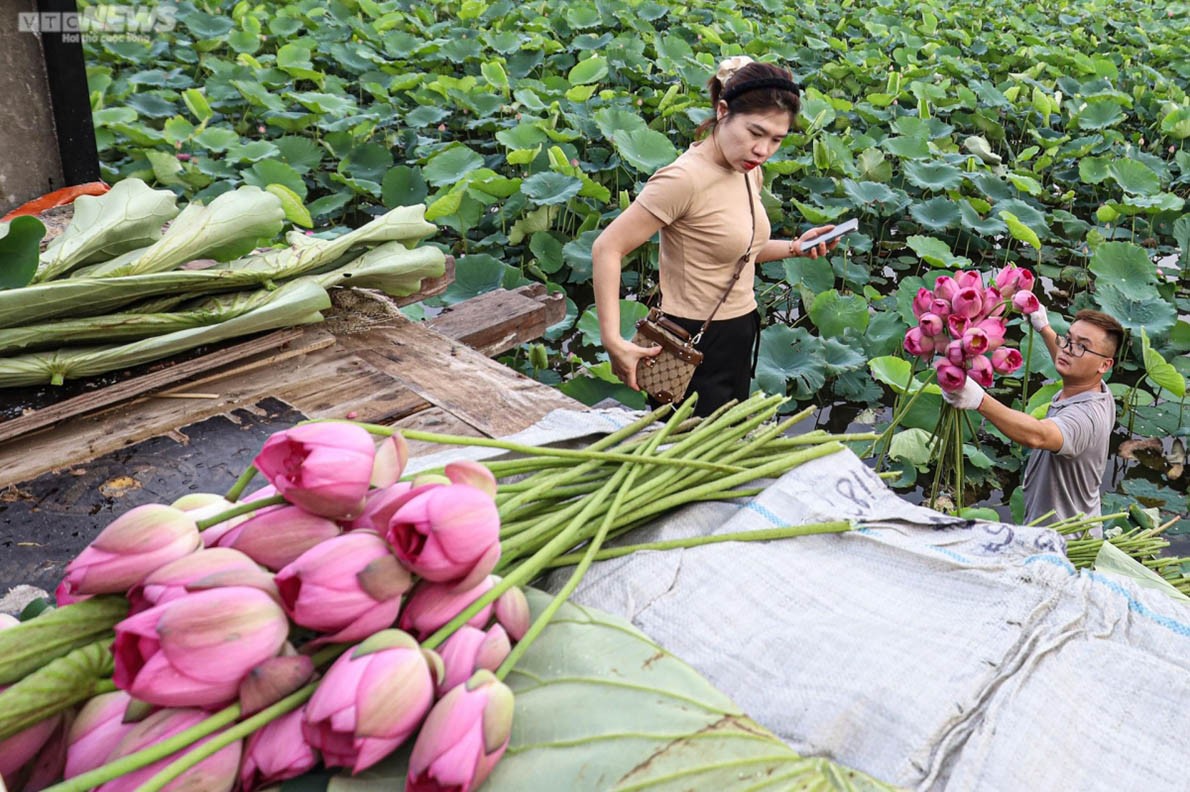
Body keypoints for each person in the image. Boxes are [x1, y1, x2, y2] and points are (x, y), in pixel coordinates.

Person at [591, 56, 840, 417]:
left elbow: (738, 250)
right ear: (723, 111)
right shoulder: (683, 179)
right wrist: (612, 340)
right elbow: (607, 247)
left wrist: (794, 248)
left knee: (725, 441)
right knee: (686, 456)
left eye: (776, 140)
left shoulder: (748, 171)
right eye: (755, 133)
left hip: (740, 330)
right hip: (688, 341)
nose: (763, 150)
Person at [942, 305, 1123, 526]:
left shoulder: (1086, 417)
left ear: (1105, 364)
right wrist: (1044, 328)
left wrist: (980, 400)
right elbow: (1070, 356)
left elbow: (1038, 436)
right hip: (1068, 522)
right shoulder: (1094, 387)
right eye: (1067, 339)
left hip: (1062, 539)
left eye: (1082, 347)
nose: (1066, 349)